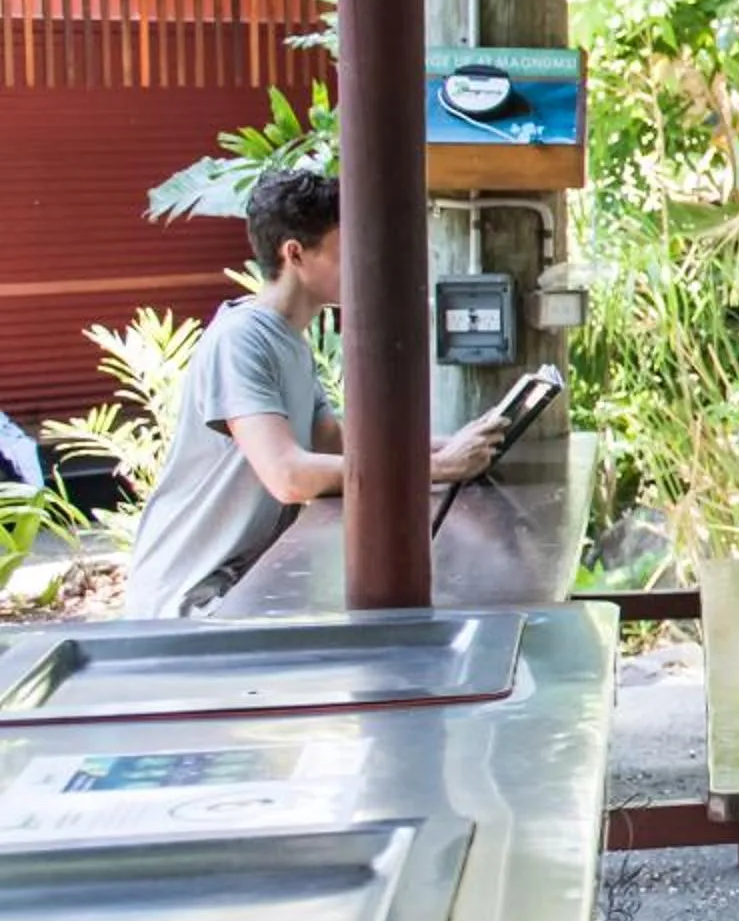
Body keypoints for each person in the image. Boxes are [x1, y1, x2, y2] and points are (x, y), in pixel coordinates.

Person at [123, 169, 500, 621]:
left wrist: (457, 442)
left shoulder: (289, 339)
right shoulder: (241, 339)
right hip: (192, 602)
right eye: (348, 250)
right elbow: (289, 476)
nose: (364, 262)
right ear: (295, 254)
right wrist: (436, 468)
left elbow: (333, 442)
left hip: (241, 585)